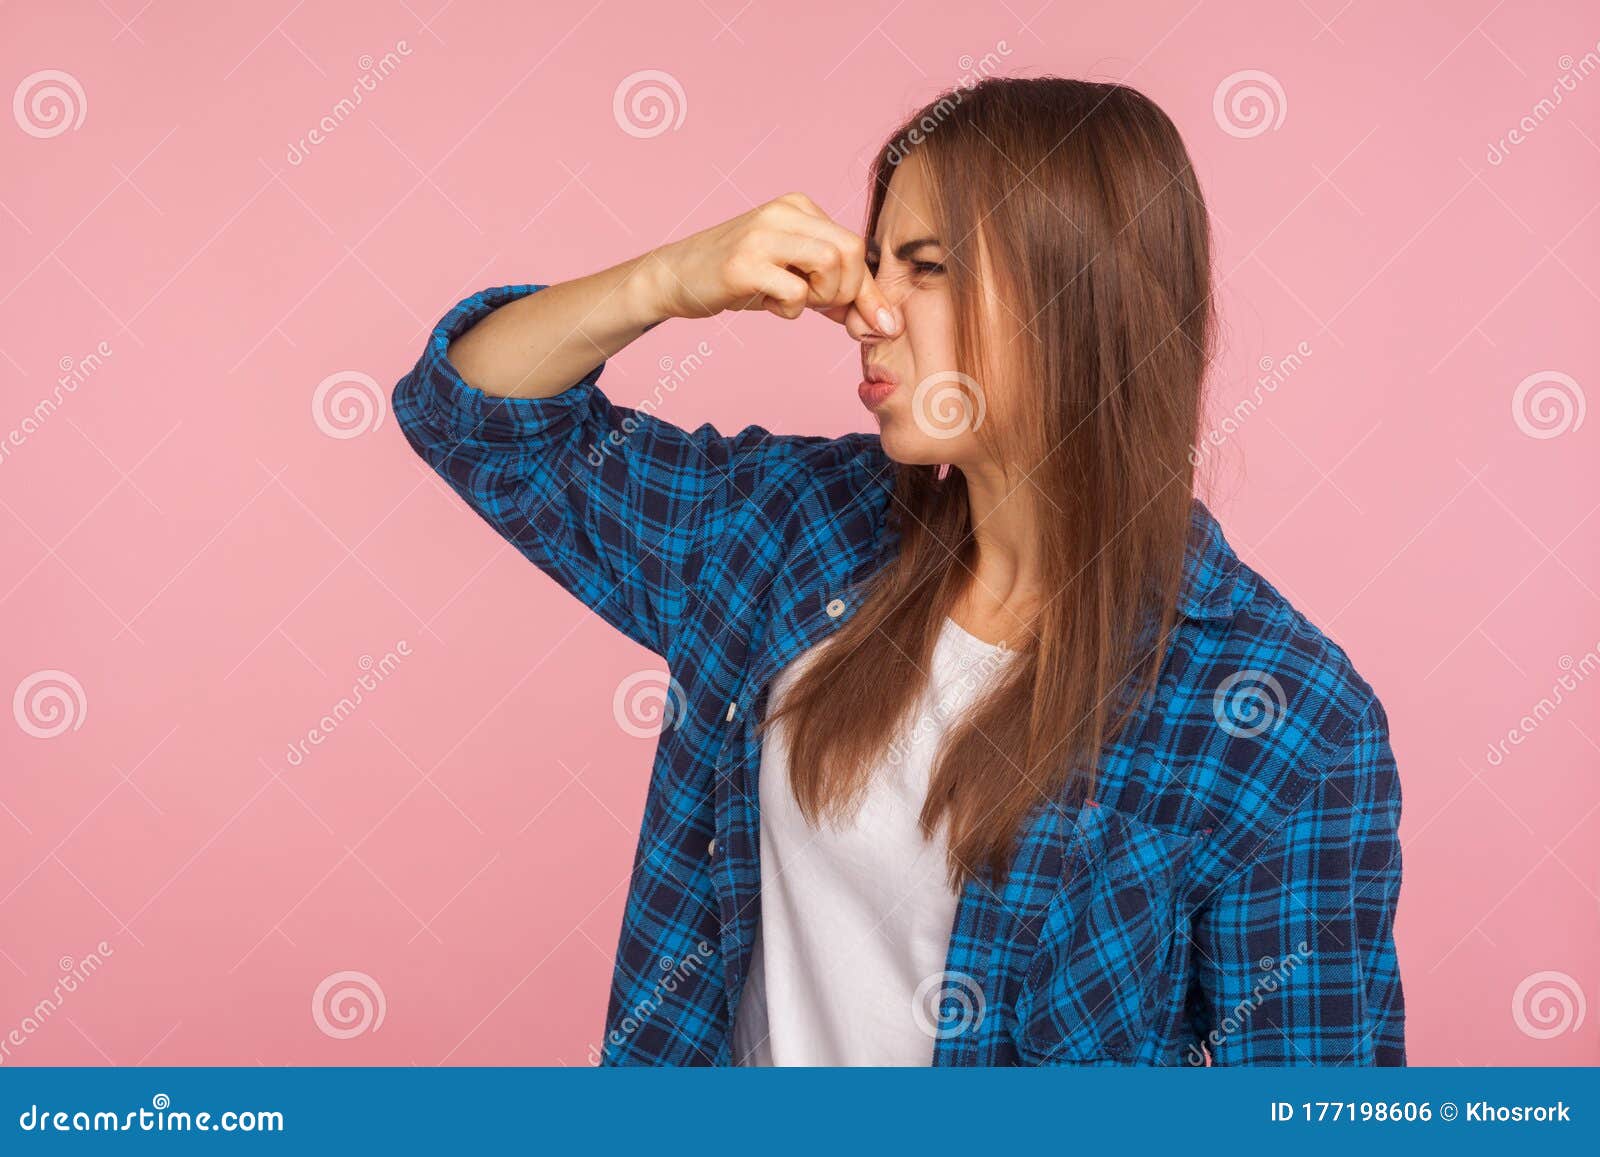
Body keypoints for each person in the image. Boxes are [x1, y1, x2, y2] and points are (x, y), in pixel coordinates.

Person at [392, 75, 1405, 1066]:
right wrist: (668, 280)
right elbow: (475, 420)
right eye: (876, 264)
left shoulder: (1285, 719)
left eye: (925, 266)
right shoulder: (790, 530)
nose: (870, 309)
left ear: (1078, 292)